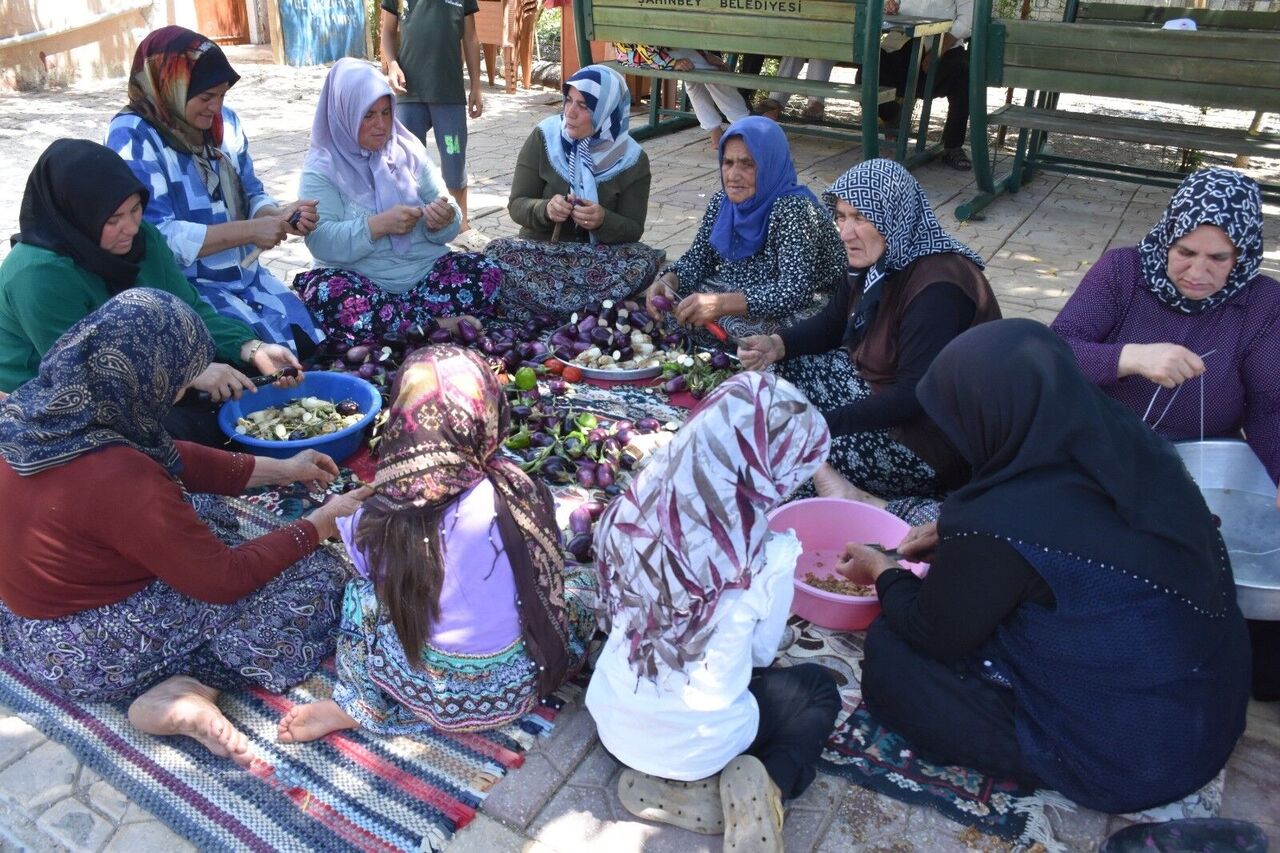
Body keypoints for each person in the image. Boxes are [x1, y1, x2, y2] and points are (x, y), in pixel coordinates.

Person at [837, 319, 1251, 814]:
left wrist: (884, 570)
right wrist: (955, 539)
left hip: (1132, 759)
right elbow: (1071, 532)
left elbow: (932, 631)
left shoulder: (995, 518)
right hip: (1207, 706)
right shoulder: (1127, 441)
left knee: (892, 654)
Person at [0, 289, 367, 766]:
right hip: (88, 647)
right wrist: (317, 525)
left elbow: (171, 461)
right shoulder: (118, 477)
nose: (179, 392)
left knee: (202, 508)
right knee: (317, 575)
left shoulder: (46, 407)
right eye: (177, 379)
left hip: (24, 623)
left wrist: (286, 468)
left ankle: (178, 681)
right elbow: (221, 580)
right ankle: (187, 687)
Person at [277, 345, 596, 742]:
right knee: (581, 584)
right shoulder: (520, 489)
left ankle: (358, 704)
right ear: (491, 413)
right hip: (519, 686)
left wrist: (350, 516)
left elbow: (369, 571)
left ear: (401, 423)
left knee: (362, 595)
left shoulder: (378, 519)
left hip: (432, 693)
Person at [587, 372, 840, 853]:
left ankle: (676, 786)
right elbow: (762, 657)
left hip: (614, 722)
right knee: (818, 690)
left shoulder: (629, 508)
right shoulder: (768, 556)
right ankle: (768, 784)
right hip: (708, 744)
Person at [0, 139, 302, 444]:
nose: (130, 227)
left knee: (245, 382)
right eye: (113, 219)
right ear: (76, 216)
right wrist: (186, 374)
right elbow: (84, 375)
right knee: (174, 435)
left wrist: (251, 347)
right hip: (48, 398)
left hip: (143, 371)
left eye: (135, 209)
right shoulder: (38, 274)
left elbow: (190, 311)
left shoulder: (142, 239)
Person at [738, 159, 999, 502]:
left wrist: (821, 425)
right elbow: (832, 323)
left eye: (861, 218)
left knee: (791, 443)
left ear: (894, 216)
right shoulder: (878, 260)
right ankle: (820, 472)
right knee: (777, 374)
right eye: (842, 217)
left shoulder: (939, 289)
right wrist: (776, 344)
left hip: (931, 442)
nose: (846, 233)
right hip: (881, 391)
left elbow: (912, 397)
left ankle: (851, 492)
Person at [1051, 168, 1280, 503]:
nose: (1198, 273)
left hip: (1195, 463)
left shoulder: (1263, 303)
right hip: (1094, 442)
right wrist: (1128, 357)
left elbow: (1270, 404)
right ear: (1167, 239)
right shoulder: (1123, 271)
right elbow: (1052, 351)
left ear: (1241, 256)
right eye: (1185, 253)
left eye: (1218, 258)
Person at [106, 26, 324, 355]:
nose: (216, 107)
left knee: (308, 343)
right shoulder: (135, 135)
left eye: (222, 96)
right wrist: (250, 230)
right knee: (253, 363)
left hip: (243, 275)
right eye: (206, 97)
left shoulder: (225, 124)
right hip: (184, 288)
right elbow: (157, 236)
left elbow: (251, 193)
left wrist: (277, 216)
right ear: (170, 86)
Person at [293, 59, 500, 349]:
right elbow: (321, 241)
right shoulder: (323, 167)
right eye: (368, 116)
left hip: (422, 276)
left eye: (386, 113)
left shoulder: (407, 150)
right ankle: (436, 325)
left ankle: (402, 327)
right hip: (361, 282)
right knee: (331, 296)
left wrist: (443, 219)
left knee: (486, 271)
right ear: (345, 114)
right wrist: (376, 226)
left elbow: (449, 213)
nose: (381, 125)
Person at [645, 116, 845, 340]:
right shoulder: (723, 202)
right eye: (728, 163)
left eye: (748, 164)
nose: (733, 176)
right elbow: (699, 258)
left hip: (803, 303)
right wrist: (669, 280)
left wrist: (720, 303)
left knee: (735, 327)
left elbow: (794, 292)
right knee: (677, 307)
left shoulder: (794, 209)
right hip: (741, 288)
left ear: (770, 164)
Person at [487, 64, 658, 321]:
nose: (570, 112)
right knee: (496, 253)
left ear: (606, 111)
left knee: (644, 259)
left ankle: (547, 308)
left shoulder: (632, 159)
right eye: (568, 100)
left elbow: (633, 229)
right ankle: (594, 309)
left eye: (584, 106)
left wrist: (603, 220)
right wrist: (545, 209)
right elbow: (517, 205)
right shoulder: (545, 137)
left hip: (596, 260)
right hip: (543, 255)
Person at [380, 0, 487, 248]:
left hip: (449, 94)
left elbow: (470, 38)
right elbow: (387, 30)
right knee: (407, 162)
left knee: (454, 156)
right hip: (409, 93)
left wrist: (476, 87)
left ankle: (461, 225)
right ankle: (413, 225)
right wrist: (392, 64)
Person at [877, 0, 975, 170]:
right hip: (903, 41)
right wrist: (890, 5)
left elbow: (966, 22)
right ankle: (891, 117)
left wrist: (939, 49)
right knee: (869, 69)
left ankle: (952, 146)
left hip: (945, 45)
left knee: (964, 74)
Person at [615, 45, 751, 148]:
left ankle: (714, 130)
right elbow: (646, 44)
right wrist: (673, 63)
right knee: (715, 71)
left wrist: (703, 55)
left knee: (695, 68)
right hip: (648, 55)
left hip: (628, 54)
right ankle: (745, 126)